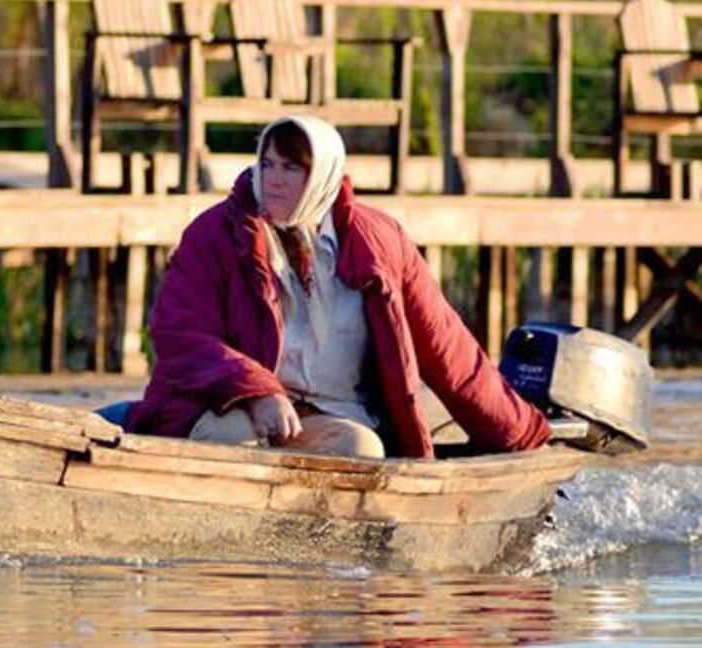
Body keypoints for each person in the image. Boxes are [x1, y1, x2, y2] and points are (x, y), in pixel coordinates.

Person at [124, 115, 549, 459]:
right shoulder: (214, 233)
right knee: (234, 438)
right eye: (267, 164)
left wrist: (519, 432)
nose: (273, 180)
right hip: (228, 407)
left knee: (360, 448)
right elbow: (179, 334)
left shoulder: (379, 240)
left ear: (322, 176)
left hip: (328, 416)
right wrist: (257, 392)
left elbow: (446, 348)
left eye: (292, 168)